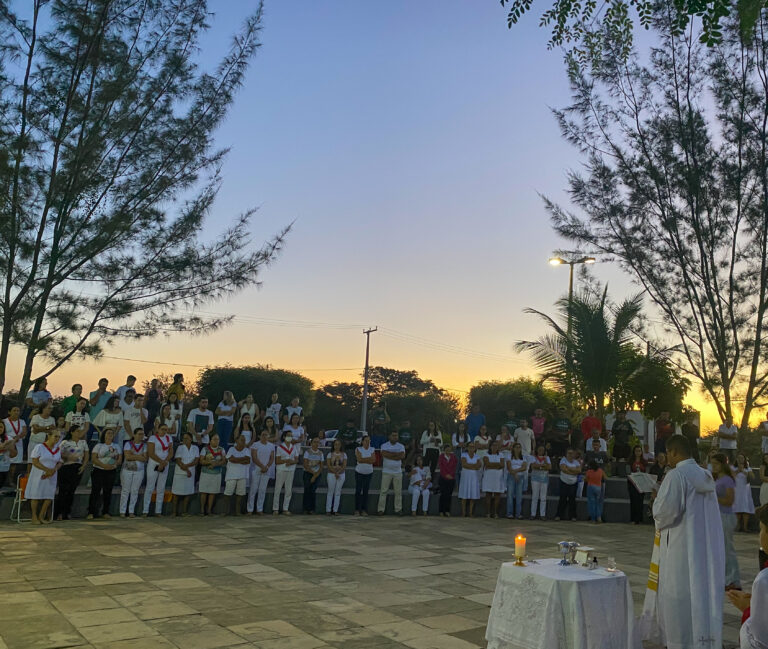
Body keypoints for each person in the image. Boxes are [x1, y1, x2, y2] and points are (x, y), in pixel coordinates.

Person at [641, 435, 725, 649]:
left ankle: (680, 642)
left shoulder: (676, 475)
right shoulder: (705, 475)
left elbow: (664, 513)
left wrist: (656, 498)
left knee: (678, 594)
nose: (667, 458)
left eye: (668, 453)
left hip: (681, 549)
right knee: (699, 592)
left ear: (674, 452)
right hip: (702, 546)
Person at [727, 504, 768, 649]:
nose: (760, 535)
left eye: (762, 529)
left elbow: (758, 641)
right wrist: (757, 603)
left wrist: (748, 610)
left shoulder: (764, 579)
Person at [711, 452, 742, 590]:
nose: (713, 466)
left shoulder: (727, 480)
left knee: (728, 549)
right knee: (721, 548)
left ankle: (733, 579)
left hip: (726, 516)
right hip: (719, 515)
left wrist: (713, 497)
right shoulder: (718, 479)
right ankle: (725, 578)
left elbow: (729, 501)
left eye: (716, 463)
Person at [25, 430, 61, 524]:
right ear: (49, 436)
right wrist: (46, 470)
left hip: (52, 474)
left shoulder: (57, 448)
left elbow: (60, 462)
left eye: (58, 437)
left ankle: (41, 515)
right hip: (39, 473)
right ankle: (34, 516)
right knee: (36, 495)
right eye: (55, 436)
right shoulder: (40, 447)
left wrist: (54, 469)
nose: (57, 439)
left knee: (49, 495)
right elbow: (35, 461)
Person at [87, 428, 121, 519]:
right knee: (95, 491)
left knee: (108, 491)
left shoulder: (116, 446)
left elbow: (119, 459)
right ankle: (91, 512)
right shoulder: (99, 446)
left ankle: (105, 511)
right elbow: (94, 458)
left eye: (112, 433)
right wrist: (103, 465)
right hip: (98, 470)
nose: (110, 435)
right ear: (104, 435)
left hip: (111, 470)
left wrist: (113, 465)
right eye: (108, 433)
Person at [143, 424, 174, 517]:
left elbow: (171, 452)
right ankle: (145, 510)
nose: (164, 431)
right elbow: (151, 453)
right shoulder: (153, 438)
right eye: (162, 429)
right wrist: (161, 462)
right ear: (158, 429)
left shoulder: (169, 438)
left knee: (161, 487)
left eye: (166, 429)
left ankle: (158, 511)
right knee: (150, 487)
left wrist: (165, 461)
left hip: (165, 464)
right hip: (154, 463)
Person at [171, 431, 199, 516]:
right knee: (176, 493)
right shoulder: (180, 447)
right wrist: (186, 469)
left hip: (190, 472)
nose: (184, 440)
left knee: (188, 492)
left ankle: (184, 512)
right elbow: (178, 460)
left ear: (191, 439)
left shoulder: (195, 448)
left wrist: (187, 466)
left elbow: (196, 460)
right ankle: (174, 512)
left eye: (186, 438)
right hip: (180, 472)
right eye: (183, 438)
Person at [120, 427, 147, 518]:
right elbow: (127, 457)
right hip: (127, 469)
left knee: (135, 491)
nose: (141, 436)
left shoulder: (144, 445)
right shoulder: (128, 444)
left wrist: (133, 455)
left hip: (139, 471)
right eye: (139, 434)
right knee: (125, 490)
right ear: (134, 435)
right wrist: (139, 456)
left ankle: (131, 511)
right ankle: (122, 511)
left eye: (142, 434)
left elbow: (145, 458)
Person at [378, 431, 405, 515]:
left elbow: (402, 456)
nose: (395, 437)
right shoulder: (384, 445)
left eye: (396, 435)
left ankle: (398, 509)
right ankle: (381, 510)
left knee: (398, 492)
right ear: (389, 436)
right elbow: (384, 454)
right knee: (383, 491)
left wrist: (390, 454)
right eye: (393, 435)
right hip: (387, 471)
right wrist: (396, 455)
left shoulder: (401, 446)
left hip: (398, 472)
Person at [248, 429, 275, 515]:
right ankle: (250, 509)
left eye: (266, 435)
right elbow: (254, 457)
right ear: (260, 436)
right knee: (253, 489)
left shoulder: (271, 445)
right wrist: (262, 466)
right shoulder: (255, 444)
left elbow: (272, 458)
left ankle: (259, 509)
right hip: (256, 468)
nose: (264, 436)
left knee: (262, 490)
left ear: (269, 436)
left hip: (266, 469)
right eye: (263, 434)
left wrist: (266, 467)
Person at [199, 432, 226, 515]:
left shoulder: (222, 449)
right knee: (204, 492)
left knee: (212, 492)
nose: (216, 441)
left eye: (218, 439)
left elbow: (224, 461)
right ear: (210, 441)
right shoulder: (205, 449)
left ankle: (209, 510)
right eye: (214, 439)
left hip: (216, 474)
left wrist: (215, 464)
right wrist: (209, 463)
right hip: (205, 473)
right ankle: (202, 510)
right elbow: (201, 461)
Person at [273, 430, 299, 515]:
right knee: (278, 489)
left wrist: (291, 462)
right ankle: (275, 508)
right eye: (288, 435)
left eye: (291, 435)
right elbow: (277, 460)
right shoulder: (280, 447)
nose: (290, 437)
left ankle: (285, 508)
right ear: (284, 437)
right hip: (281, 469)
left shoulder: (294, 447)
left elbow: (296, 459)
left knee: (288, 490)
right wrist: (285, 461)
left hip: (291, 470)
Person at [224, 434, 251, 515]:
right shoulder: (231, 449)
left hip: (242, 475)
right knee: (228, 493)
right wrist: (242, 459)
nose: (243, 442)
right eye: (241, 440)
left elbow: (248, 461)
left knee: (240, 494)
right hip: (231, 475)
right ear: (236, 441)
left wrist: (236, 460)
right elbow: (231, 459)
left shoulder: (246, 450)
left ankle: (238, 511)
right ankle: (226, 511)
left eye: (244, 440)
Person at [481, 440, 505, 518]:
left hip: (498, 478)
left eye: (496, 445)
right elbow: (487, 464)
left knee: (497, 494)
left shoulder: (501, 454)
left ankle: (495, 513)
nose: (494, 447)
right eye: (493, 445)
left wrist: (492, 465)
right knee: (488, 494)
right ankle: (488, 513)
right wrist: (496, 465)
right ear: (490, 446)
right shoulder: (486, 454)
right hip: (488, 477)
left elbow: (502, 465)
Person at [555, 448, 580, 521]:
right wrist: (573, 471)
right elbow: (563, 469)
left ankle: (573, 516)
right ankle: (559, 515)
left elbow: (578, 470)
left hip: (573, 483)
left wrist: (569, 468)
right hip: (564, 482)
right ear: (566, 454)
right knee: (562, 499)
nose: (570, 455)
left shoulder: (576, 462)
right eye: (569, 453)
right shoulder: (563, 460)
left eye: (572, 453)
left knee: (572, 500)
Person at [733, 453, 756, 532]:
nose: (740, 459)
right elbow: (730, 477)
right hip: (736, 490)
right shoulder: (733, 467)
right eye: (738, 458)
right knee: (737, 507)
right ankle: (737, 526)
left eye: (742, 458)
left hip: (745, 490)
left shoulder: (748, 468)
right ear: (736, 459)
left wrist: (744, 471)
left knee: (745, 508)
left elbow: (753, 477)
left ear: (744, 459)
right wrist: (737, 471)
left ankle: (745, 527)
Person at [4, 405, 27, 483]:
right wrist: (10, 438)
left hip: (18, 443)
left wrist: (18, 437)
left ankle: (11, 480)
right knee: (6, 461)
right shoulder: (4, 421)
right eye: (14, 410)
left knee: (14, 463)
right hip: (7, 443)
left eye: (18, 411)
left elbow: (24, 432)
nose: (16, 412)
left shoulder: (22, 421)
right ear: (9, 412)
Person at [505, 442, 528, 520]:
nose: (518, 449)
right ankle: (509, 513)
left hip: (520, 477)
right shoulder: (509, 456)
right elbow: (509, 467)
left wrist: (516, 471)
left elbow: (524, 467)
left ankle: (518, 514)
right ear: (513, 448)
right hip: (511, 476)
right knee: (510, 495)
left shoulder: (523, 457)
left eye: (519, 447)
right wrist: (514, 474)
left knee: (519, 496)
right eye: (516, 447)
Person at [459, 441, 481, 517]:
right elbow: (464, 465)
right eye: (470, 447)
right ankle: (463, 512)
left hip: (474, 478)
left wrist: (470, 466)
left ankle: (471, 513)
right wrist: (473, 466)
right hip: (465, 478)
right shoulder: (463, 455)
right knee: (464, 495)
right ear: (467, 448)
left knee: (473, 495)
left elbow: (478, 466)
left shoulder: (477, 456)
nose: (471, 448)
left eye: (473, 447)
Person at [302, 436, 324, 514]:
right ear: (311, 443)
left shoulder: (320, 453)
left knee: (313, 491)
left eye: (318, 442)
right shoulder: (307, 452)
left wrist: (315, 475)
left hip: (317, 474)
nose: (316, 444)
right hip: (308, 473)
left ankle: (312, 509)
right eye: (315, 442)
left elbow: (321, 466)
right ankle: (305, 508)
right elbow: (305, 464)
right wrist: (312, 473)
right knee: (307, 490)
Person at [529, 444, 551, 520]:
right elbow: (533, 466)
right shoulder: (533, 457)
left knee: (543, 497)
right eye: (539, 450)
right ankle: (533, 514)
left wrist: (541, 465)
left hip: (544, 479)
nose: (541, 451)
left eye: (542, 450)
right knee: (535, 496)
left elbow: (549, 467)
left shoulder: (547, 458)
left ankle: (542, 514)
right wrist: (543, 466)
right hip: (535, 479)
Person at [326, 438, 347, 515]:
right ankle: (328, 509)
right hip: (331, 474)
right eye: (335, 444)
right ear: (333, 446)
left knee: (337, 492)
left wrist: (339, 472)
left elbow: (344, 465)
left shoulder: (344, 454)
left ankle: (335, 510)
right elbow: (329, 465)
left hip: (341, 475)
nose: (337, 446)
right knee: (330, 492)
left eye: (338, 444)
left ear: (341, 445)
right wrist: (335, 472)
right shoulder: (329, 454)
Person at [628, 444, 647, 524]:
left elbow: (646, 473)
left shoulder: (644, 462)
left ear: (641, 452)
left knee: (640, 502)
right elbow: (628, 472)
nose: (638, 452)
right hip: (632, 483)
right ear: (634, 452)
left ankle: (639, 519)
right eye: (636, 451)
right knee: (633, 501)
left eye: (639, 451)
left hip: (641, 484)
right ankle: (633, 519)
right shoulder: (631, 461)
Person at [437, 443, 457, 517]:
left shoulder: (454, 457)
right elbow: (441, 467)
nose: (448, 451)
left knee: (449, 495)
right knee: (443, 495)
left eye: (449, 450)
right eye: (446, 450)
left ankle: (447, 510)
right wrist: (446, 475)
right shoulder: (441, 457)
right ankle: (441, 511)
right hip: (443, 478)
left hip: (451, 478)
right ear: (444, 450)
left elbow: (454, 467)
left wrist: (450, 475)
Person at [0, 421, 18, 489]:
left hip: (4, 466)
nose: (0, 429)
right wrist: (4, 445)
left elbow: (14, 454)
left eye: (1, 427)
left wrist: (10, 449)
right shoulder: (9, 441)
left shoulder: (9, 438)